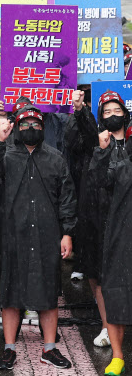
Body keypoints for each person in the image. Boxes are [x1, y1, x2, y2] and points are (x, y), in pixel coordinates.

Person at [0, 107, 76, 370]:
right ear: (16, 128)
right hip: (12, 236)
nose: (30, 128)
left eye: (35, 123)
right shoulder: (6, 156)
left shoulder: (55, 159)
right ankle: (9, 348)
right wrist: (0, 140)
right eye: (24, 124)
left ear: (43, 127)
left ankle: (49, 348)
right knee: (10, 295)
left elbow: (67, 198)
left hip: (47, 236)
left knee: (48, 293)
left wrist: (67, 232)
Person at [66, 91, 129, 348]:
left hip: (125, 220)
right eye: (106, 112)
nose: (112, 116)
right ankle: (106, 325)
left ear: (125, 114)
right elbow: (85, 128)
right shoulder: (94, 141)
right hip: (94, 216)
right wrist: (80, 109)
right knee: (97, 274)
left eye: (117, 111)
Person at [90, 126, 132, 376]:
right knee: (117, 297)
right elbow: (98, 180)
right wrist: (102, 151)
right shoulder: (121, 166)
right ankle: (118, 356)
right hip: (121, 240)